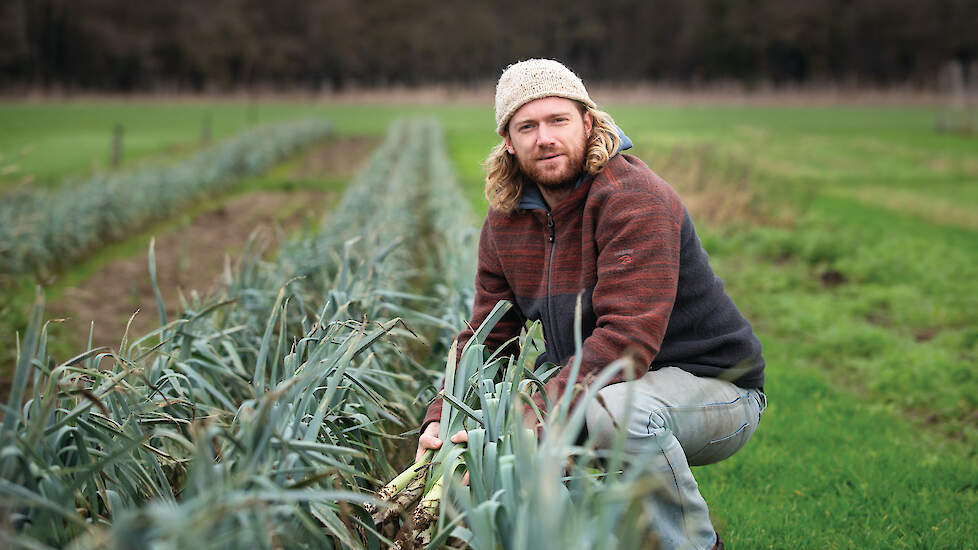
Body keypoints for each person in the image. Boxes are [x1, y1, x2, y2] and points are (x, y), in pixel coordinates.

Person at [415, 58, 767, 550]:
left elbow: (626, 343)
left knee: (610, 412)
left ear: (588, 120)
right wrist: (443, 417)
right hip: (603, 385)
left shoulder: (633, 199)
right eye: (527, 126)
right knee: (577, 423)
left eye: (558, 120)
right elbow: (489, 337)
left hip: (714, 387)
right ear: (510, 143)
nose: (545, 137)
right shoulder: (505, 222)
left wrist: (534, 413)